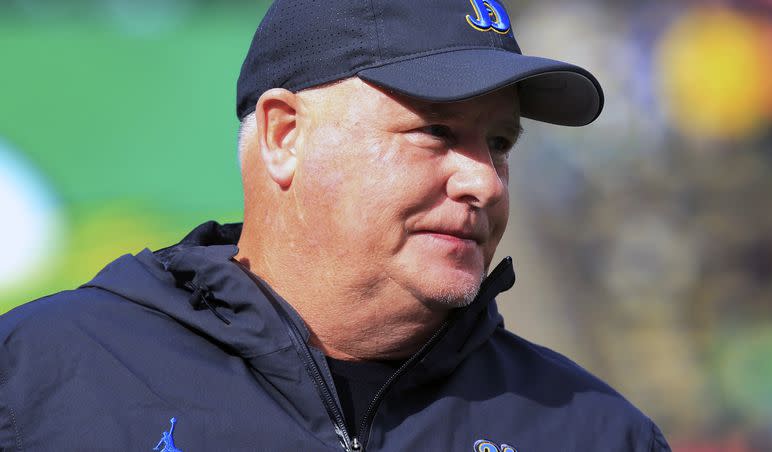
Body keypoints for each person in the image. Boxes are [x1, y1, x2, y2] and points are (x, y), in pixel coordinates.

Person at [0, 0, 671, 451]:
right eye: (434, 131)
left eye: (500, 143)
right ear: (284, 136)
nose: (485, 182)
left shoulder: (594, 431)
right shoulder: (41, 377)